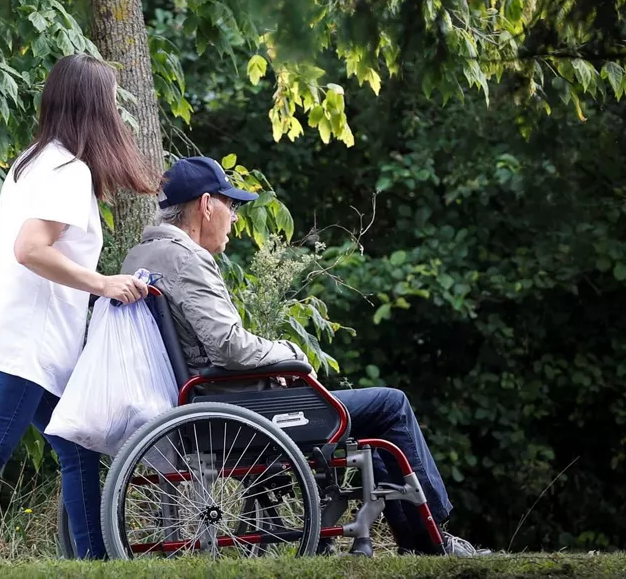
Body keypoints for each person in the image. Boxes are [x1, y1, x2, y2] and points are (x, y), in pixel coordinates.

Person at [119, 155, 491, 557]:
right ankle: (432, 538)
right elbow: (230, 346)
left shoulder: (141, 257)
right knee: (390, 406)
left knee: (372, 416)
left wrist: (266, 368)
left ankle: (418, 540)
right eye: (231, 205)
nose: (235, 218)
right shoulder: (187, 258)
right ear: (207, 205)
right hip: (233, 411)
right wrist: (288, 353)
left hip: (204, 403)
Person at [0, 54, 159, 561]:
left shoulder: (36, 160)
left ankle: (95, 563)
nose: (116, 112)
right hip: (27, 345)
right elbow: (30, 249)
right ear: (92, 106)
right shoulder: (67, 171)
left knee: (78, 449)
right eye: (111, 101)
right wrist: (103, 284)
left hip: (32, 340)